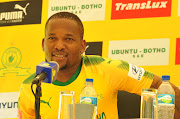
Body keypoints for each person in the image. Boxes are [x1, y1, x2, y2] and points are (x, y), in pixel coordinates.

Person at [18, 12, 180, 119]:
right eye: (52, 38)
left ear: (82, 46)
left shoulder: (108, 69)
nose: (59, 46)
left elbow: (162, 85)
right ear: (43, 43)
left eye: (68, 39)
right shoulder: (30, 86)